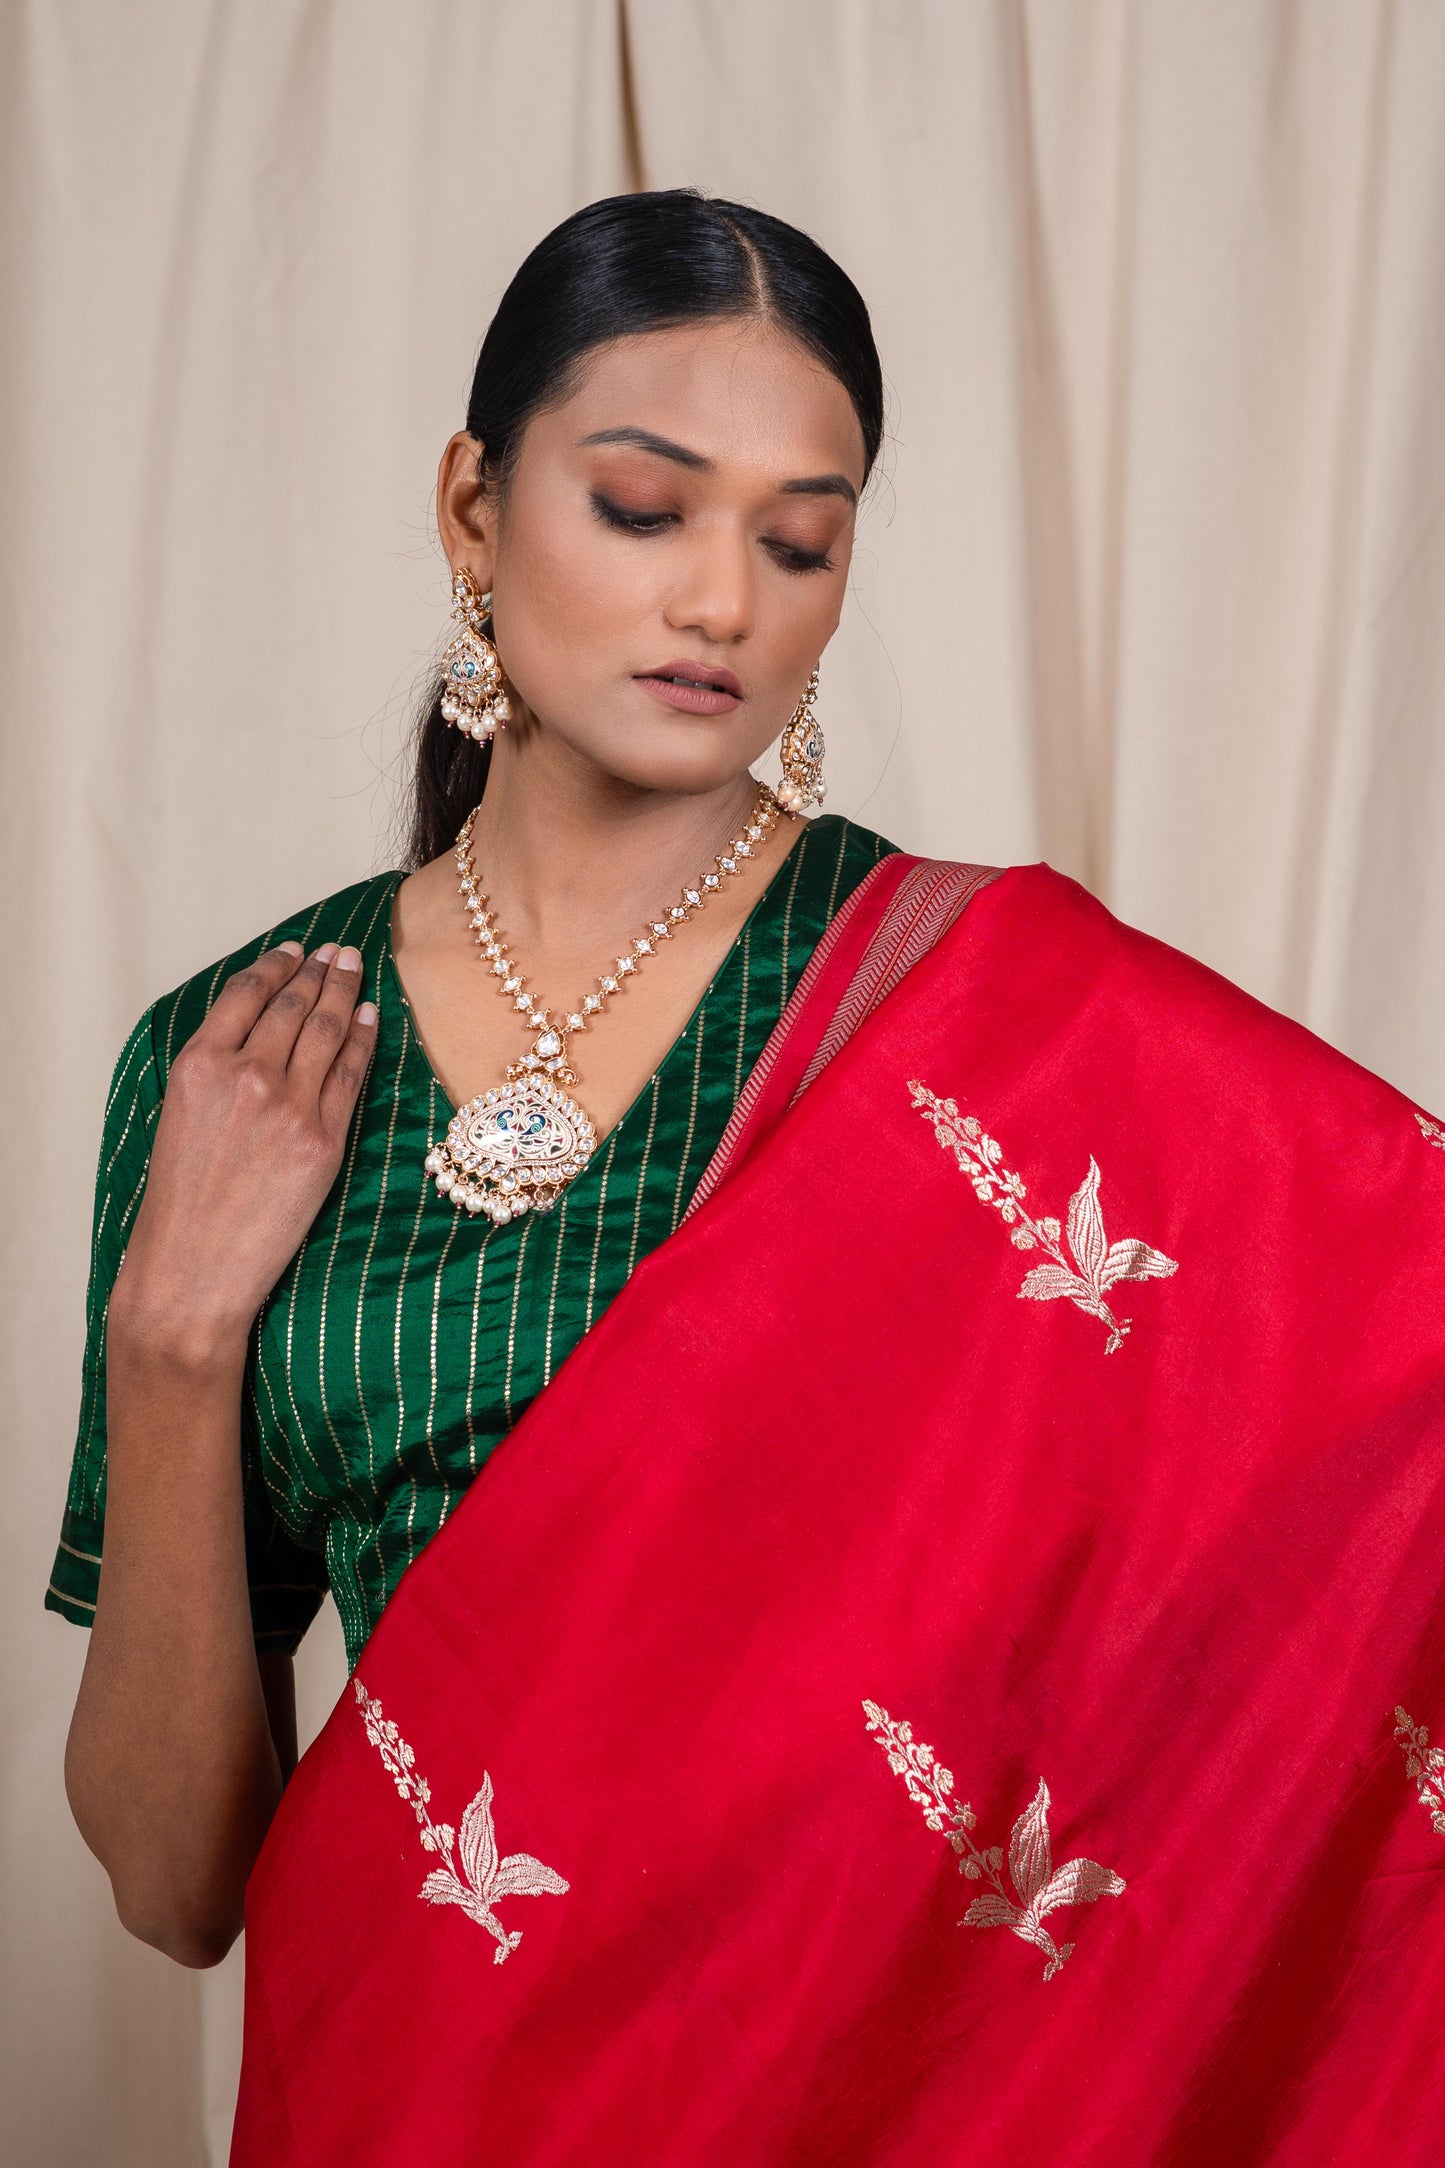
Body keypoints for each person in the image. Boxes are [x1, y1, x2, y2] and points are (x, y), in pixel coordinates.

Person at [47, 192, 1445, 2167]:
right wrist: (176, 1334)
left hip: (898, 2101)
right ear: (473, 509)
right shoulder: (239, 1061)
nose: (723, 601)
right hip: (428, 2100)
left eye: (802, 537)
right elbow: (175, 1885)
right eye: (646, 508)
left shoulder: (982, 1024)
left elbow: (1391, 1354)